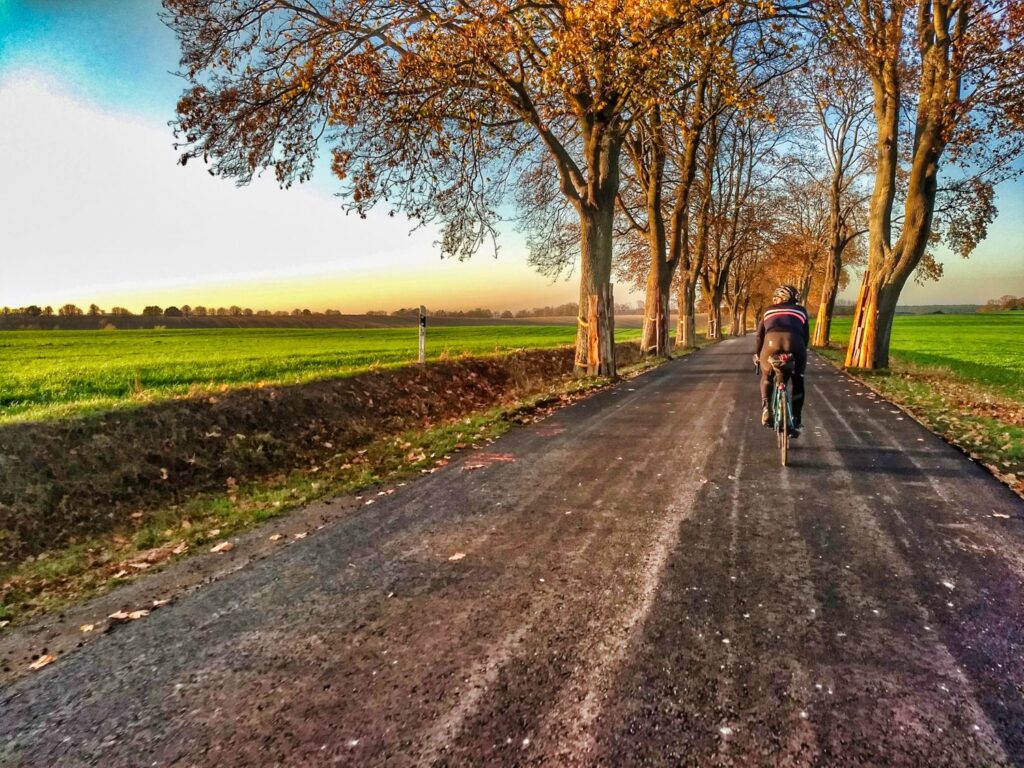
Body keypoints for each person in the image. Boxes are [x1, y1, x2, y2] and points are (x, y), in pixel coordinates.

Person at [754, 285, 809, 434]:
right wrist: (801, 352)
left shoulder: (767, 310)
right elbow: (805, 337)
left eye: (776, 298)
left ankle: (766, 408)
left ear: (782, 298)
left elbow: (760, 336)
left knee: (767, 375)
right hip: (795, 343)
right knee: (798, 379)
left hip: (771, 343)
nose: (774, 301)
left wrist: (758, 355)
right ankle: (796, 419)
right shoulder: (801, 310)